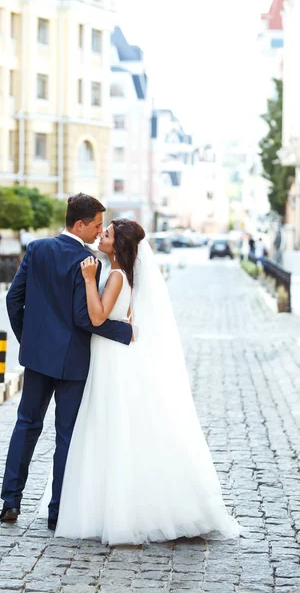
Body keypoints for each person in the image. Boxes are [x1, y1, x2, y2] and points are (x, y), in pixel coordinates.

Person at [45, 218, 241, 545]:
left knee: (112, 427)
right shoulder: (121, 275)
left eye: (106, 234)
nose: (101, 236)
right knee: (112, 429)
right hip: (112, 356)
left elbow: (96, 317)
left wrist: (89, 280)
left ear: (117, 245)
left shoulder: (116, 277)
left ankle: (117, 510)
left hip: (113, 360)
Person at [0, 194, 132, 529]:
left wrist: (29, 341)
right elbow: (84, 318)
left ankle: (10, 501)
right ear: (80, 224)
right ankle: (57, 511)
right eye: (97, 225)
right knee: (66, 436)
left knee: (26, 425)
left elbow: (13, 299)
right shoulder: (90, 263)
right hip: (73, 362)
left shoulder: (38, 249)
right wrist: (124, 332)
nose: (99, 231)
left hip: (38, 357)